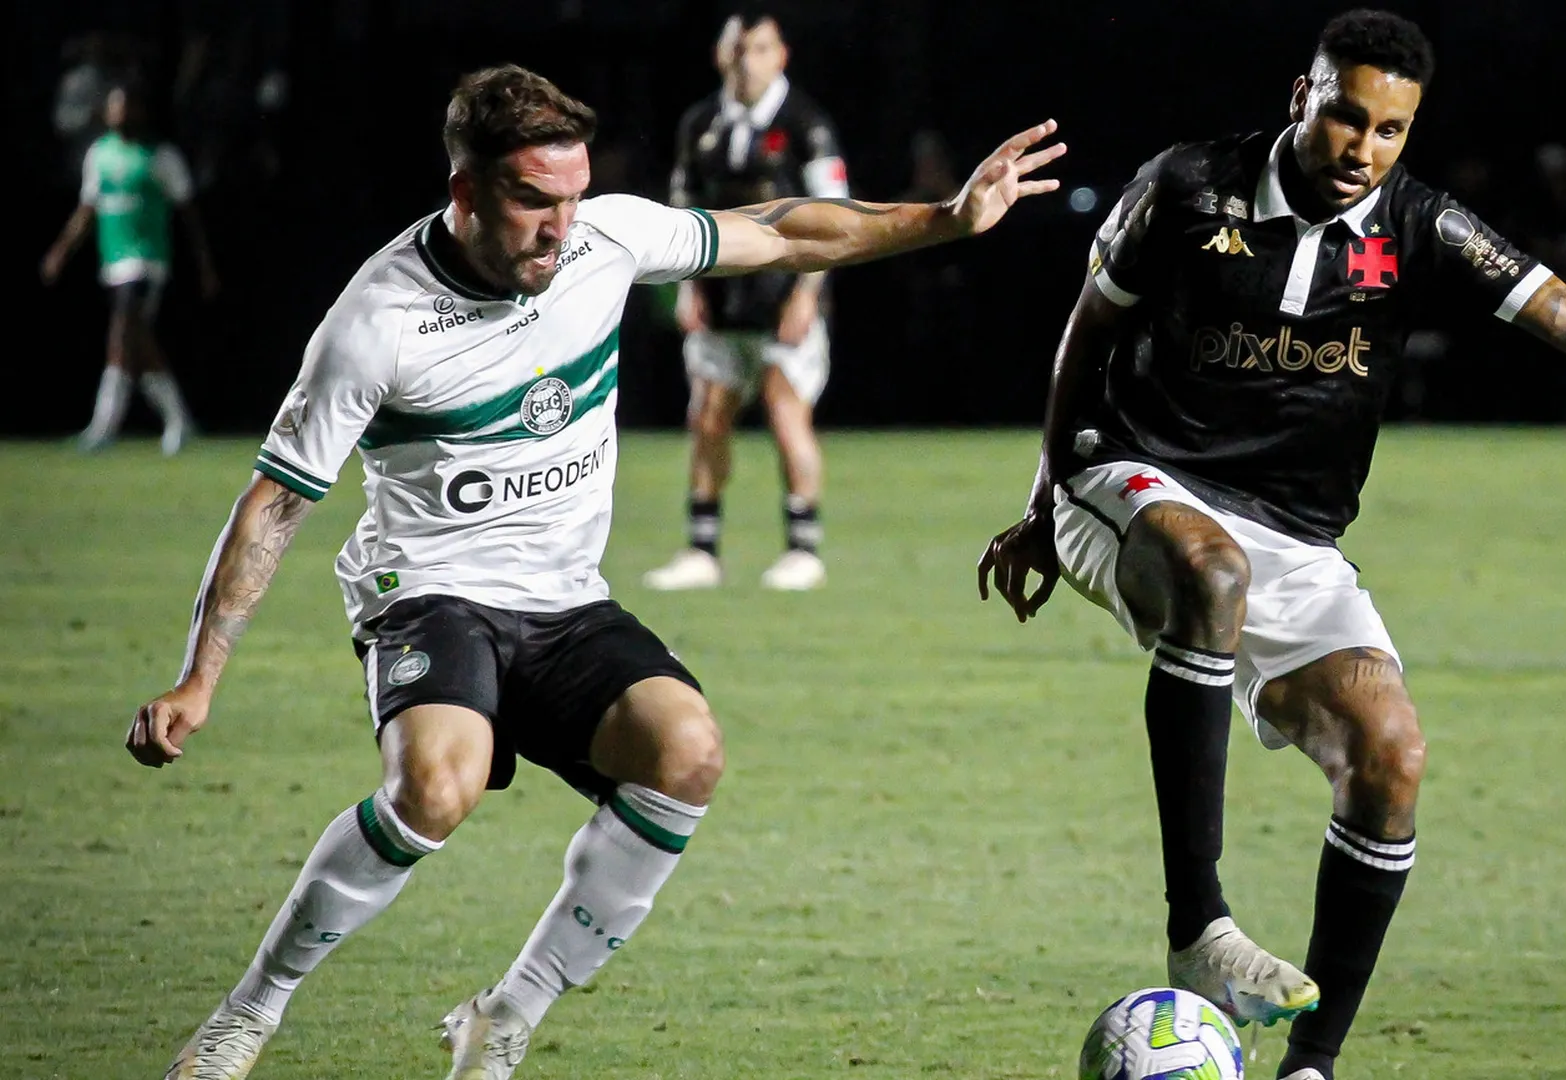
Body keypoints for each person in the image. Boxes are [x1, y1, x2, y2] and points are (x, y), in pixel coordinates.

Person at [131, 63, 1061, 1080]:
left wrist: (947, 217)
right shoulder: (376, 322)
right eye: (534, 201)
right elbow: (276, 501)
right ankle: (248, 1014)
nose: (559, 228)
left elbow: (786, 230)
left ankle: (505, 1016)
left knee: (687, 753)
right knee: (435, 788)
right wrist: (200, 675)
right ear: (467, 193)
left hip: (566, 603)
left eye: (571, 199)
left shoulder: (608, 238)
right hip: (433, 593)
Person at [976, 11, 1566, 1080]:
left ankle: (1312, 1064)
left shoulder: (1417, 224)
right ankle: (1199, 929)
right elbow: (1089, 329)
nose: (1364, 148)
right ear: (1301, 95)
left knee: (1391, 759)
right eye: (1348, 115)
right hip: (1126, 474)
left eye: (1391, 130)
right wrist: (1042, 501)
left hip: (1299, 537)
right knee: (1209, 570)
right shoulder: (1183, 187)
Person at [644, 10, 851, 592]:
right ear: (720, 54)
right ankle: (702, 547)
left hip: (783, 297)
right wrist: (688, 286)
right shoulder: (700, 123)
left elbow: (835, 217)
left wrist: (808, 294)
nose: (746, 60)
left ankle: (803, 545)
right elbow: (683, 211)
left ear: (780, 55)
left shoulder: (807, 124)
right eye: (737, 48)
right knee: (708, 415)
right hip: (721, 299)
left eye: (759, 48)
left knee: (787, 412)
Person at [41, 81, 218, 455]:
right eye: (115, 107)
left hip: (147, 260)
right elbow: (86, 211)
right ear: (107, 113)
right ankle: (179, 419)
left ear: (140, 111)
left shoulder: (160, 156)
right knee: (132, 345)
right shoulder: (99, 155)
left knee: (123, 334)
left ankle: (105, 427)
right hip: (113, 261)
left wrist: (204, 264)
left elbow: (188, 213)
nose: (121, 113)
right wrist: (60, 251)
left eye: (129, 106)